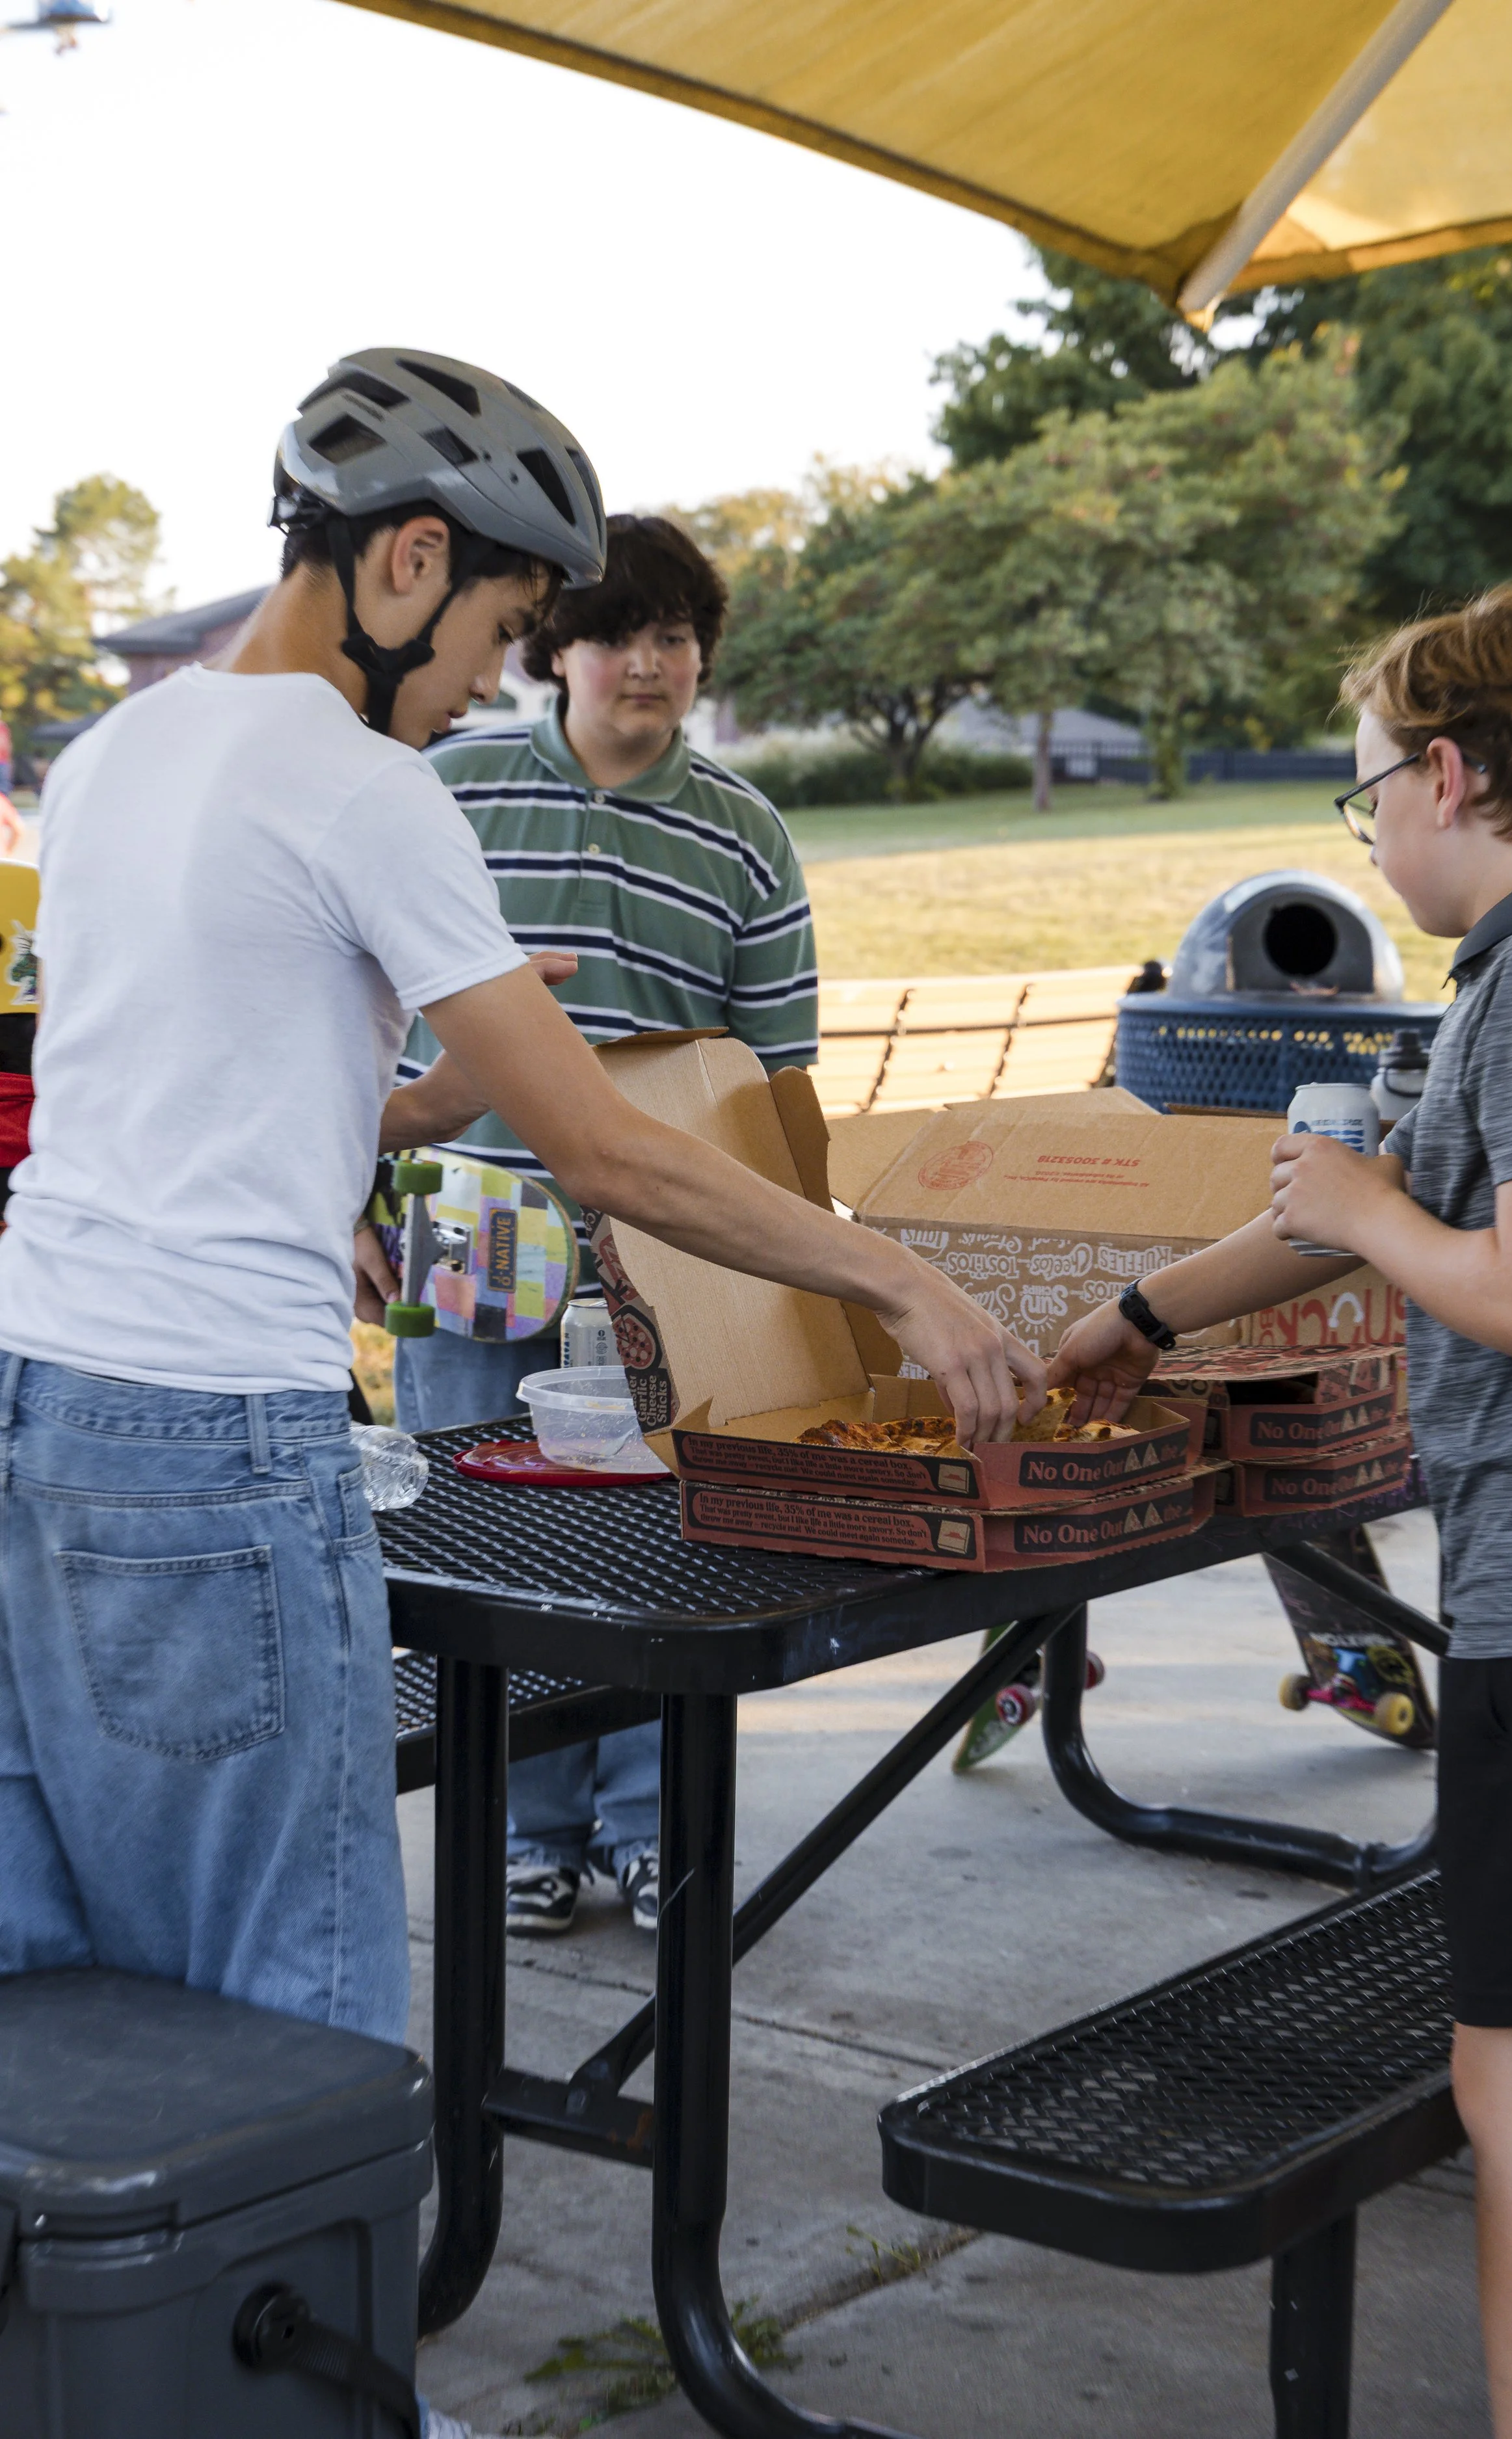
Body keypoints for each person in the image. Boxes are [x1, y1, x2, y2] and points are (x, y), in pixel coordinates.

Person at [0, 349, 1042, 2439]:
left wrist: (438, 1087)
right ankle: (321, 2395)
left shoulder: (121, 754)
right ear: (399, 559)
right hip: (220, 1440)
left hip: (44, 1408)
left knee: (64, 1991)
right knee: (290, 2020)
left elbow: (221, 1087)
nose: (494, 681)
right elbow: (631, 1160)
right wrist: (898, 1276)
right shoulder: (356, 780)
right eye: (490, 630)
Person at [1050, 583, 1512, 2439]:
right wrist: (1134, 1318)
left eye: (1366, 788)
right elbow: (1336, 1205)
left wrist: (1378, 1213)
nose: (1367, 830)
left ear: (1444, 773)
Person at [364, 513, 814, 1941]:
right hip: (463, 1223)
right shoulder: (449, 786)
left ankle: (647, 1834)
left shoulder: (745, 834)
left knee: (666, 1542)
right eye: (620, 632)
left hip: (674, 1247)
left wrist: (799, 1261)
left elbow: (779, 1070)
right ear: (555, 646)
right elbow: (358, 1012)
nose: (651, 662)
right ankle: (520, 1831)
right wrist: (358, 1197)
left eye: (677, 636)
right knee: (485, 1542)